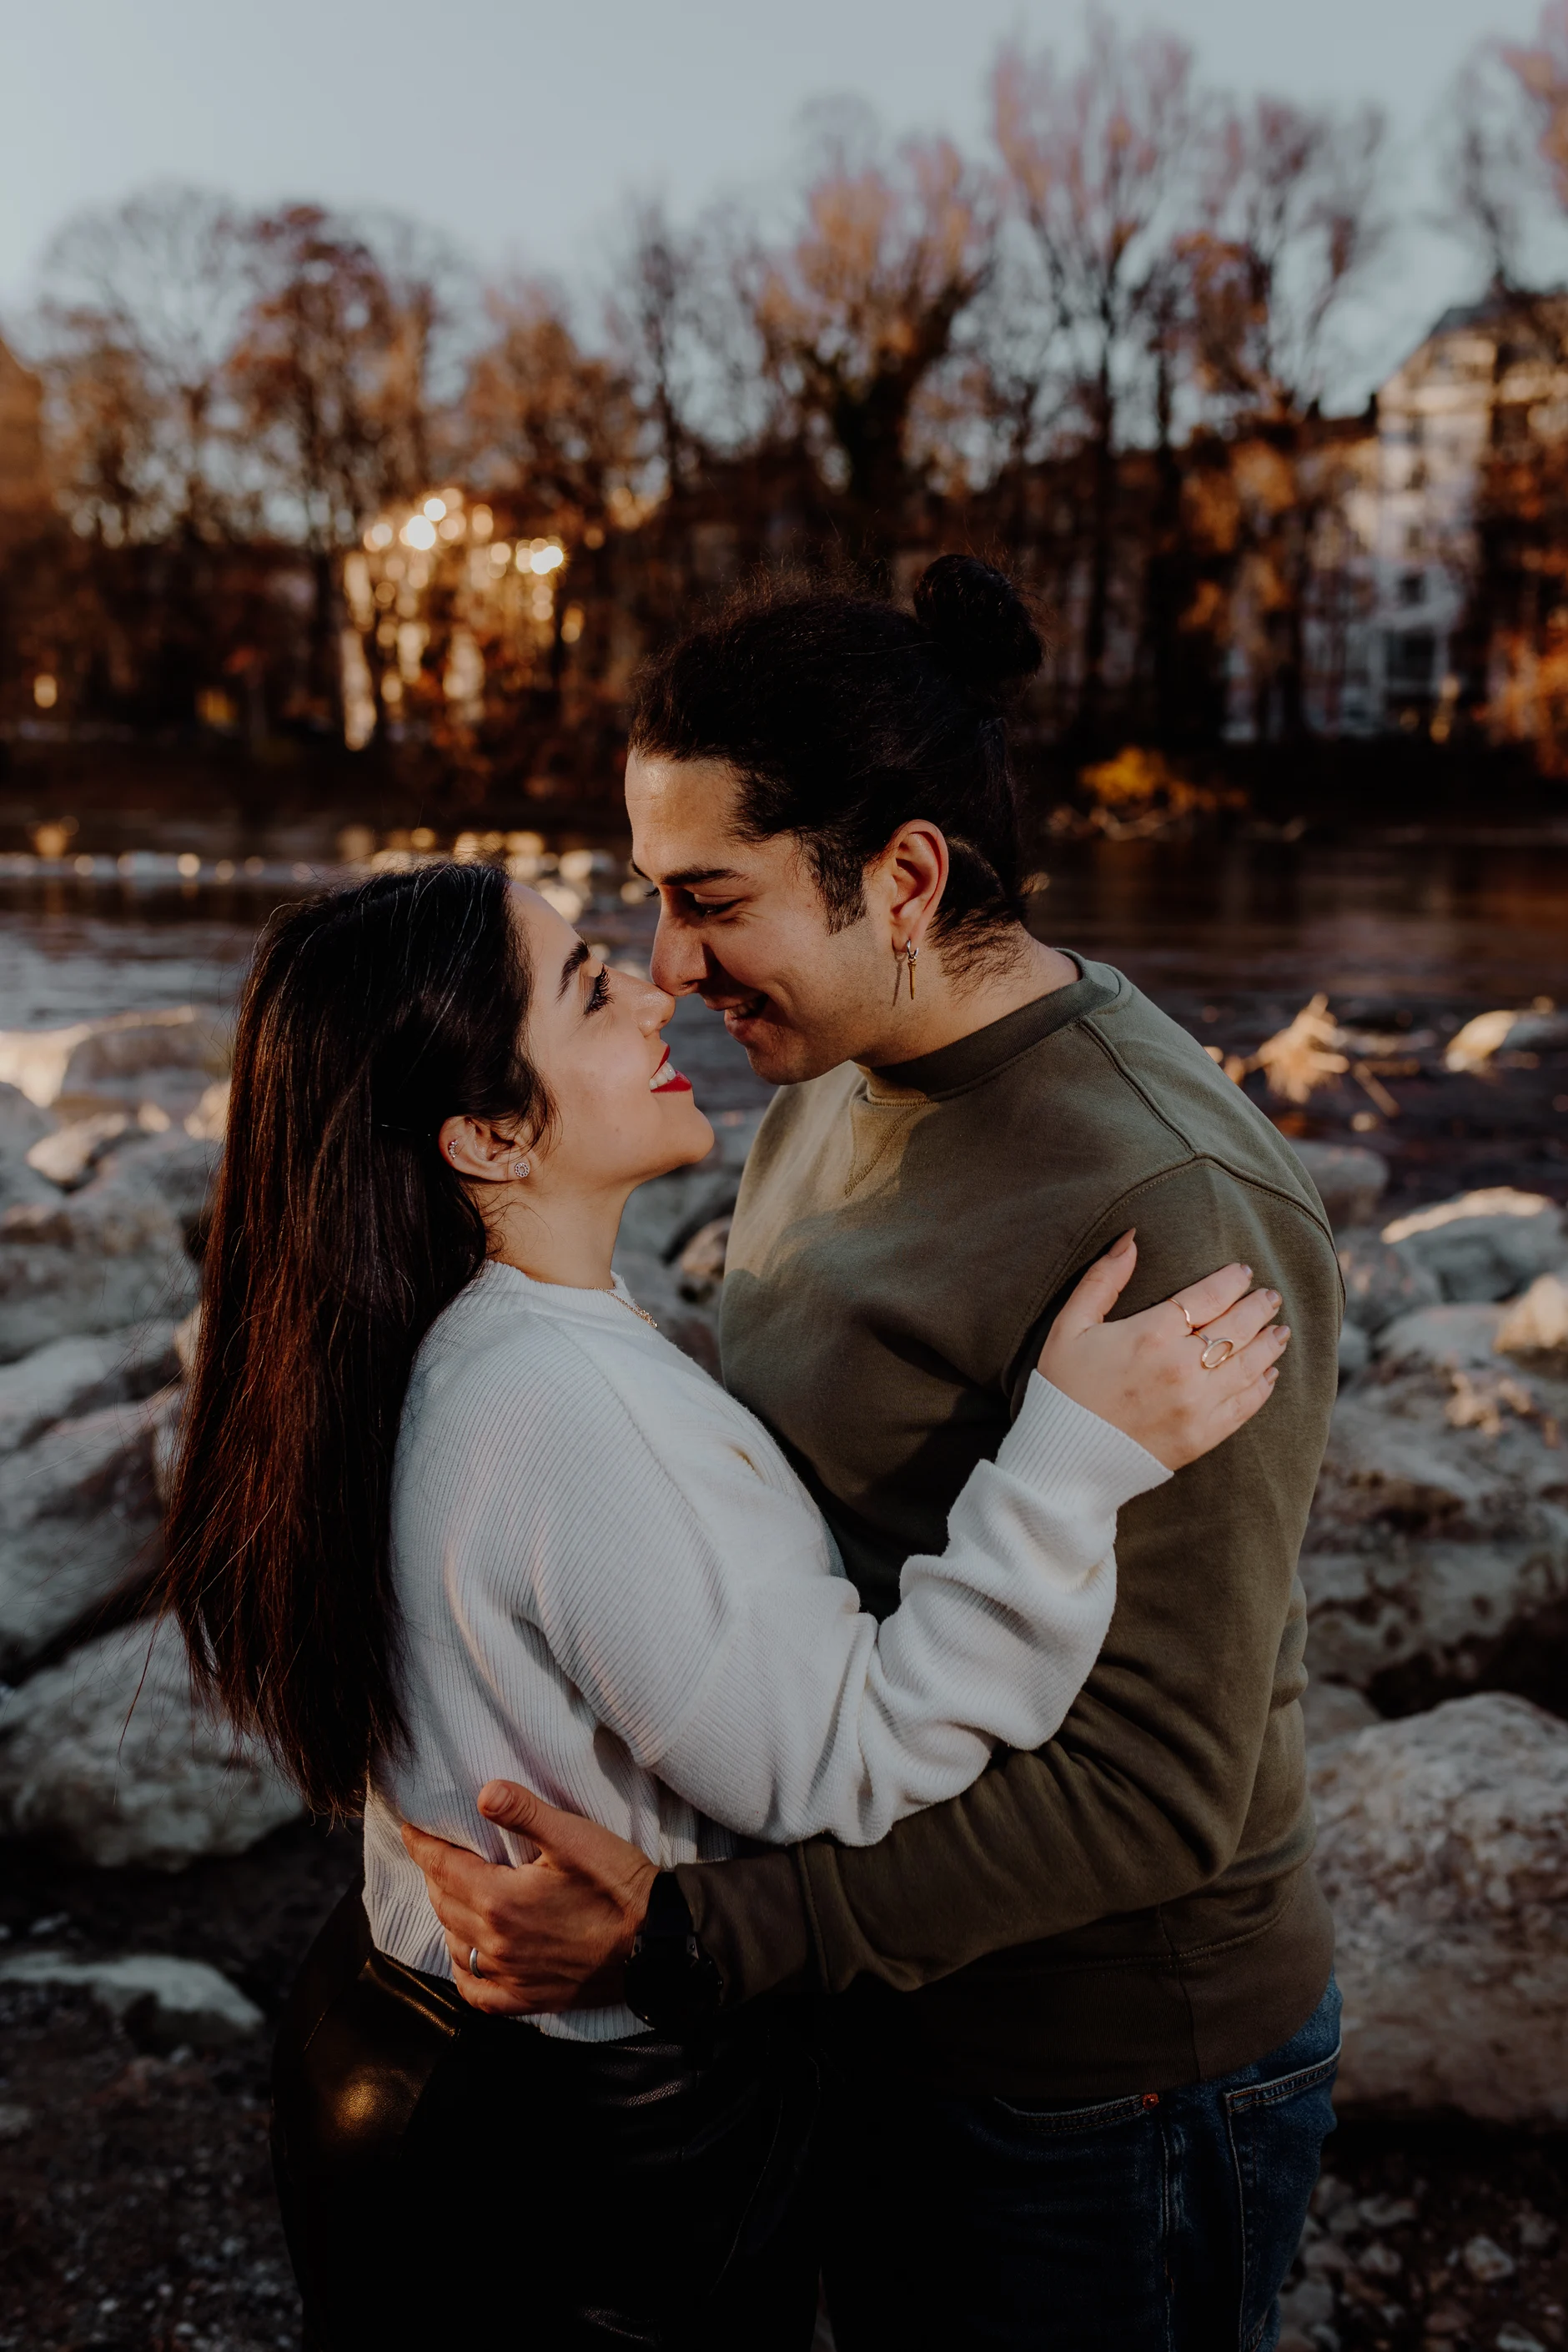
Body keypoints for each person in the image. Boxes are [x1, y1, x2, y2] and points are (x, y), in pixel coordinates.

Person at [406, 556, 1345, 2352]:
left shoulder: (1170, 1205)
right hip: (870, 2005)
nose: (672, 967)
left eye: (711, 900)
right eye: (647, 902)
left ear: (904, 878)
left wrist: (692, 1944)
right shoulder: (823, 1072)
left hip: (1093, 2080)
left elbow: (1155, 1800)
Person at [163, 855, 1285, 2352]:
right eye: (588, 986)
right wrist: (1074, 1459)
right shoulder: (558, 1408)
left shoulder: (417, 1338)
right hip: (582, 2141)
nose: (655, 985)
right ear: (490, 1136)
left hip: (404, 2037)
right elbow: (854, 1762)